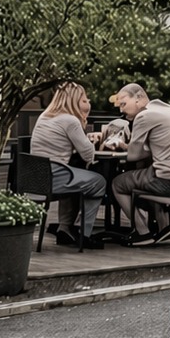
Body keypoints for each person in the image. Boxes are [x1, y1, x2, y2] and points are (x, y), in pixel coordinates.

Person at [29, 83, 107, 249]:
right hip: (55, 176)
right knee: (98, 181)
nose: (88, 103)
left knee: (77, 176)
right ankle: (84, 234)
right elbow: (88, 155)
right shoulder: (70, 120)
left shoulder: (45, 116)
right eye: (84, 100)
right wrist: (91, 135)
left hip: (37, 176)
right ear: (74, 100)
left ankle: (65, 230)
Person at [111, 84, 170, 246]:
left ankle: (142, 233)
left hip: (166, 182)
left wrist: (120, 145)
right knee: (148, 171)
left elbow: (133, 156)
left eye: (123, 104)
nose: (121, 110)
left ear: (139, 97)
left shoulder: (144, 116)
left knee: (118, 183)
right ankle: (165, 229)